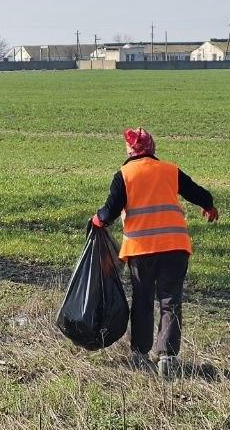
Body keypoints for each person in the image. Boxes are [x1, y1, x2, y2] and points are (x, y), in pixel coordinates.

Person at [90, 128, 217, 376]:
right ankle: (167, 357)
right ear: (153, 149)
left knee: (143, 301)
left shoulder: (124, 175)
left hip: (142, 250)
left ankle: (139, 354)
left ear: (129, 151)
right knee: (170, 301)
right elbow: (197, 192)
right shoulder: (170, 170)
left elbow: (109, 212)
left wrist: (97, 220)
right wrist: (209, 206)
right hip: (175, 246)